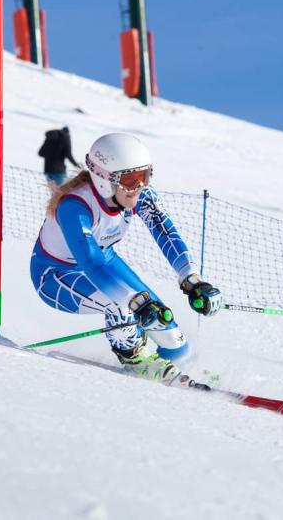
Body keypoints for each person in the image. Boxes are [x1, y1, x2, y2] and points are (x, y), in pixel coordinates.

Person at [30, 133, 223, 385]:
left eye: (145, 176)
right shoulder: (74, 206)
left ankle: (176, 367)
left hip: (105, 261)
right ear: (104, 180)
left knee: (174, 341)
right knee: (120, 304)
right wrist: (137, 303)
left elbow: (165, 232)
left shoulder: (138, 194)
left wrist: (192, 279)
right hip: (56, 274)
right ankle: (135, 361)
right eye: (131, 180)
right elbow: (91, 263)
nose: (140, 186)